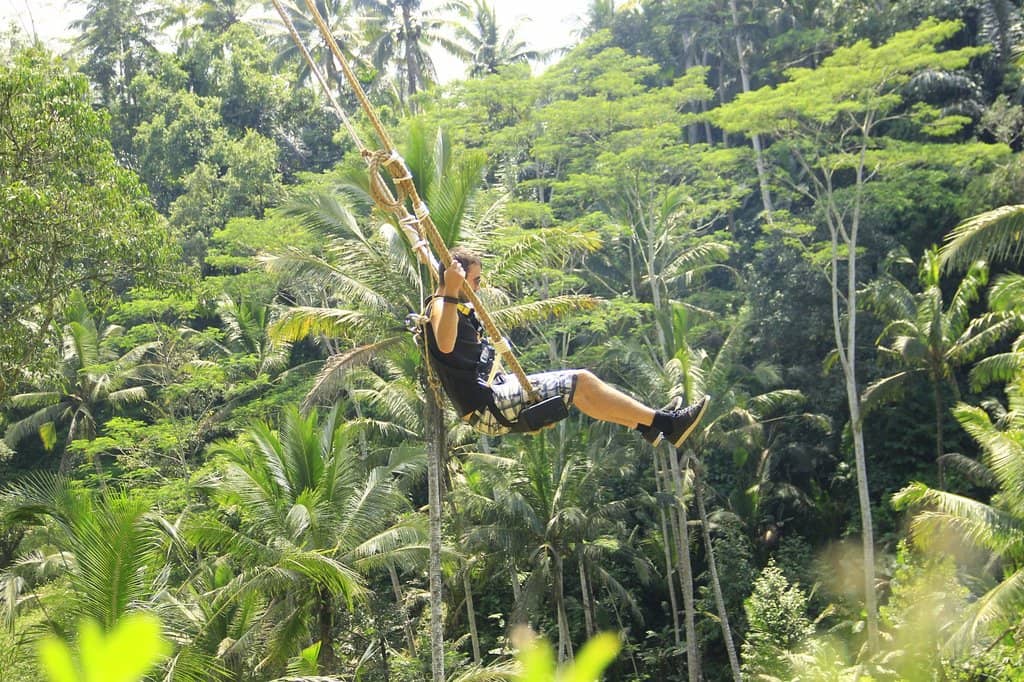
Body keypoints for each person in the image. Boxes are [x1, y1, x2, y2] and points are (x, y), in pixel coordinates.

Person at [424, 247, 709, 446]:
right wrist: (450, 290)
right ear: (456, 280)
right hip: (488, 405)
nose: (479, 286)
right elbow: (446, 346)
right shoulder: (441, 305)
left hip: (491, 397)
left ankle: (646, 425)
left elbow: (428, 254)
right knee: (581, 381)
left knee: (582, 394)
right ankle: (667, 423)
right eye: (474, 280)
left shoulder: (453, 305)